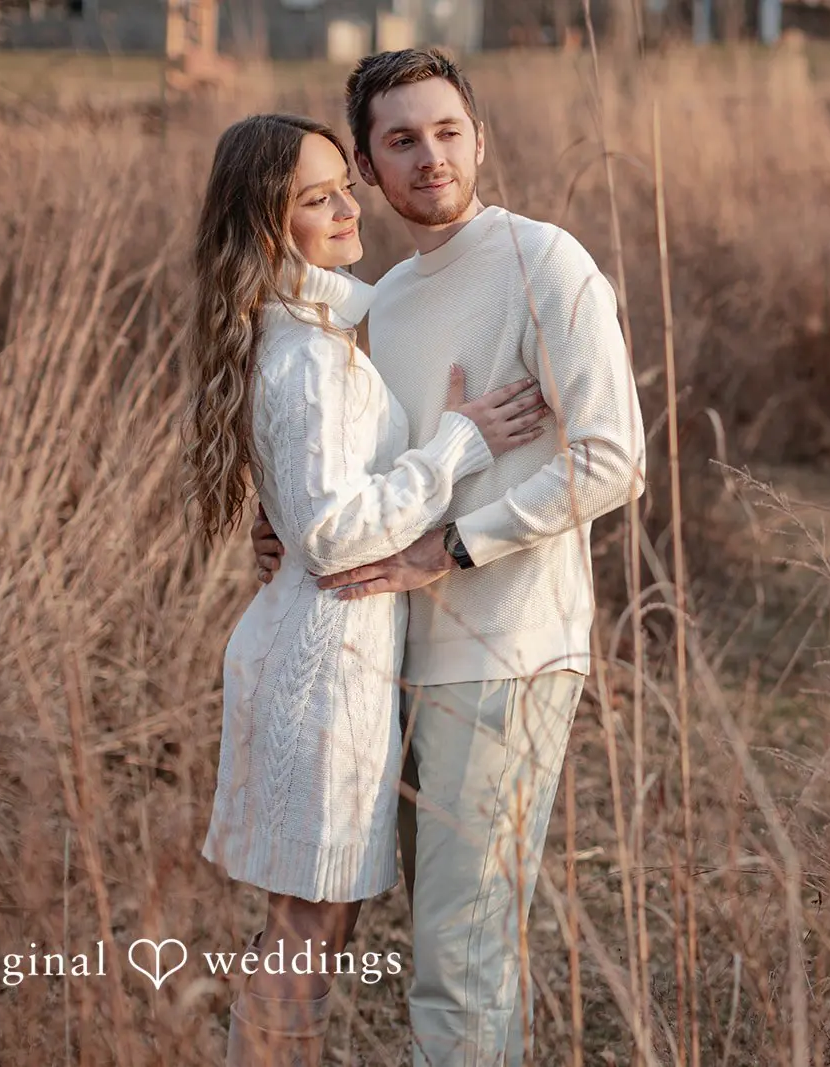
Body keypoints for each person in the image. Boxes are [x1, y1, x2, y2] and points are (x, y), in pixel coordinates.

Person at [250, 49, 647, 1066]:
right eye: (400, 140)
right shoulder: (376, 303)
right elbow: (359, 469)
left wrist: (455, 546)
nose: (430, 157)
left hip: (504, 653)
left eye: (447, 131)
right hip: (382, 657)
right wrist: (290, 521)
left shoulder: (541, 261)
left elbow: (611, 458)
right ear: (370, 170)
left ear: (479, 138)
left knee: (461, 960)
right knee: (420, 945)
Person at [180, 112, 551, 1066]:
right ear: (271, 226)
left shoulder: (323, 326)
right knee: (308, 930)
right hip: (324, 672)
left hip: (331, 659)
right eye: (317, 197)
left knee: (313, 926)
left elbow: (311, 513)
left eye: (346, 182)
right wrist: (462, 439)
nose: (350, 205)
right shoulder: (310, 356)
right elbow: (335, 533)